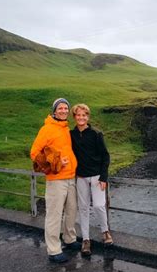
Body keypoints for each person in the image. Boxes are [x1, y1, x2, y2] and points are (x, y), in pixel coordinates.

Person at [30, 98, 81, 263]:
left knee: (71, 211)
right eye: (61, 108)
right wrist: (54, 164)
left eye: (66, 108)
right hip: (56, 179)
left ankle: (69, 238)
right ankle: (53, 250)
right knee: (54, 214)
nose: (64, 110)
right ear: (54, 110)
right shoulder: (47, 129)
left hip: (71, 177)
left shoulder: (65, 128)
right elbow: (34, 153)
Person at [70, 103, 112, 256]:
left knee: (99, 206)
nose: (81, 118)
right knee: (83, 208)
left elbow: (105, 156)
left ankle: (105, 232)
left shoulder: (96, 134)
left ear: (88, 117)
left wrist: (103, 177)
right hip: (80, 177)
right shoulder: (71, 134)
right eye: (78, 115)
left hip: (96, 177)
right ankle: (86, 240)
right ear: (74, 117)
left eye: (84, 115)